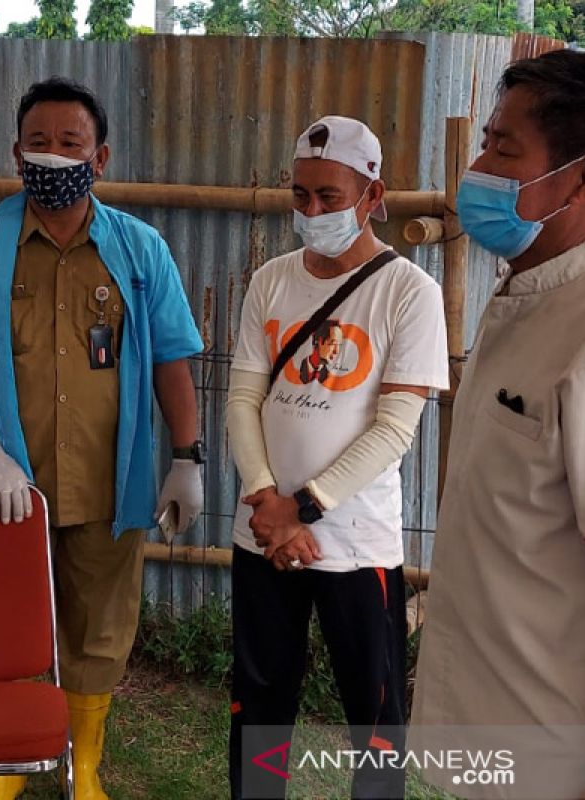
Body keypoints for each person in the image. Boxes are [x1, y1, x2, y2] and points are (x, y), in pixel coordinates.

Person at [0, 76, 205, 800]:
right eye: (38, 143)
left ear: (99, 156)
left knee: (101, 628)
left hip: (114, 480)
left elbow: (172, 356)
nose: (52, 157)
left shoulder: (139, 250)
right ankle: (11, 761)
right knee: (9, 620)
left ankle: (83, 763)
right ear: (16, 152)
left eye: (69, 144)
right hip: (11, 487)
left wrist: (185, 457)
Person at [411, 51, 585, 799]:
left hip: (558, 766)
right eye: (486, 140)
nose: (478, 165)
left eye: (503, 149)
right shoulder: (526, 293)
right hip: (487, 741)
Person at [226, 116, 448, 799]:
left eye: (329, 196)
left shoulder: (410, 292)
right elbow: (241, 397)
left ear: (373, 194)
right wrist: (266, 500)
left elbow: (394, 429)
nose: (312, 211)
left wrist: (304, 508)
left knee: (374, 712)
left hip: (356, 541)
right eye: (301, 195)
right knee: (260, 701)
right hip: (261, 535)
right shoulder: (271, 280)